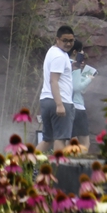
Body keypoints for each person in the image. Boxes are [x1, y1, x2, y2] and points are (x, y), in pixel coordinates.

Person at [36, 25, 76, 154]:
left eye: (71, 41)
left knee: (48, 139)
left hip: (46, 100)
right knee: (61, 138)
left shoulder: (53, 51)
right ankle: (59, 171)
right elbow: (53, 80)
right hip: (59, 100)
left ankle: (27, 166)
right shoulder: (59, 56)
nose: (68, 43)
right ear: (57, 39)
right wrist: (59, 104)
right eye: (65, 40)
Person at [70, 40, 95, 150]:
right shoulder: (74, 65)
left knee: (70, 142)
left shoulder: (63, 63)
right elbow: (77, 87)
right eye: (81, 52)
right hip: (77, 107)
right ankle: (80, 166)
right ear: (76, 52)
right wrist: (89, 79)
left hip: (68, 105)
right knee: (84, 144)